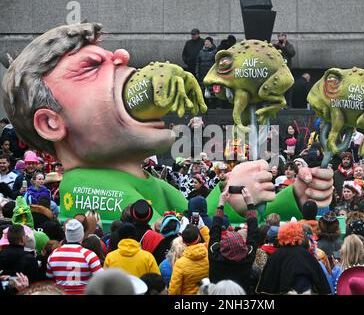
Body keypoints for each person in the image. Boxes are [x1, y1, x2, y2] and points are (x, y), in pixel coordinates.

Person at [1, 22, 335, 228]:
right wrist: (229, 190)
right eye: (90, 67)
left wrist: (293, 197)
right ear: (50, 123)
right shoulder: (85, 185)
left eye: (112, 57)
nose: (121, 57)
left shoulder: (152, 183)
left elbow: (202, 216)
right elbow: (186, 237)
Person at [255, 221, 331, 295]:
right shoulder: (307, 255)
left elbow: (266, 283)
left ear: (281, 236)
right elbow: (321, 282)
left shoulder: (276, 255)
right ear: (300, 236)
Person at [208, 188, 258, 294]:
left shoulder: (214, 255)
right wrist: (250, 204)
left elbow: (214, 231)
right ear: (243, 246)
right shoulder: (248, 257)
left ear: (222, 246)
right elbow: (253, 234)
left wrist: (221, 204)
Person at [46, 219, 103, 294]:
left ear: (66, 234)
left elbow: (49, 278)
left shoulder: (53, 255)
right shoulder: (89, 255)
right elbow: (102, 278)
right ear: (82, 234)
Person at [168, 224, 209, 295]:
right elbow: (211, 241)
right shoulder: (208, 254)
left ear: (183, 242)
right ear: (199, 238)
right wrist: (203, 227)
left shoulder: (180, 263)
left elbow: (174, 291)